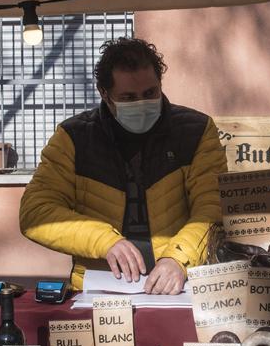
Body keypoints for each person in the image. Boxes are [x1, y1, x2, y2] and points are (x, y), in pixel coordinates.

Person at [20, 37, 227, 294]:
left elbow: (212, 207)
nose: (141, 103)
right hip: (100, 289)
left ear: (160, 84)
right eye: (128, 97)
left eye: (150, 93)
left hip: (179, 286)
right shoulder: (73, 137)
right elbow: (36, 212)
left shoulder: (196, 131)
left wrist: (179, 259)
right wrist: (104, 241)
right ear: (104, 94)